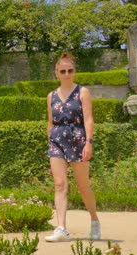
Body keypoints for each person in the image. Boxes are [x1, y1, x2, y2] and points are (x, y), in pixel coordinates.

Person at [45, 52, 100, 242]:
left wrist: (89, 143)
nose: (66, 74)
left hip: (78, 140)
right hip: (57, 140)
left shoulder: (82, 92)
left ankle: (94, 220)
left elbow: (89, 119)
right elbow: (50, 122)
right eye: (63, 71)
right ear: (57, 73)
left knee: (83, 186)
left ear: (74, 71)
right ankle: (61, 228)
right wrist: (50, 139)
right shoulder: (51, 96)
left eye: (70, 70)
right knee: (59, 184)